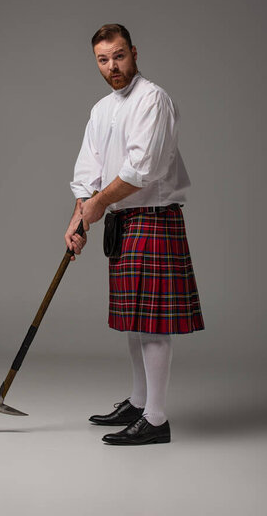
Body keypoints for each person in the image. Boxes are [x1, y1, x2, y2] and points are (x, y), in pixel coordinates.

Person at [65, 24, 205, 445]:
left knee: (152, 322)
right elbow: (88, 171)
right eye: (103, 60)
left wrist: (98, 206)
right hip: (121, 220)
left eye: (119, 55)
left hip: (154, 217)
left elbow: (141, 170)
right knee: (133, 321)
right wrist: (78, 218)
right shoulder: (100, 109)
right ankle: (139, 400)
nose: (113, 66)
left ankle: (157, 420)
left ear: (134, 52)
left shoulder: (152, 100)